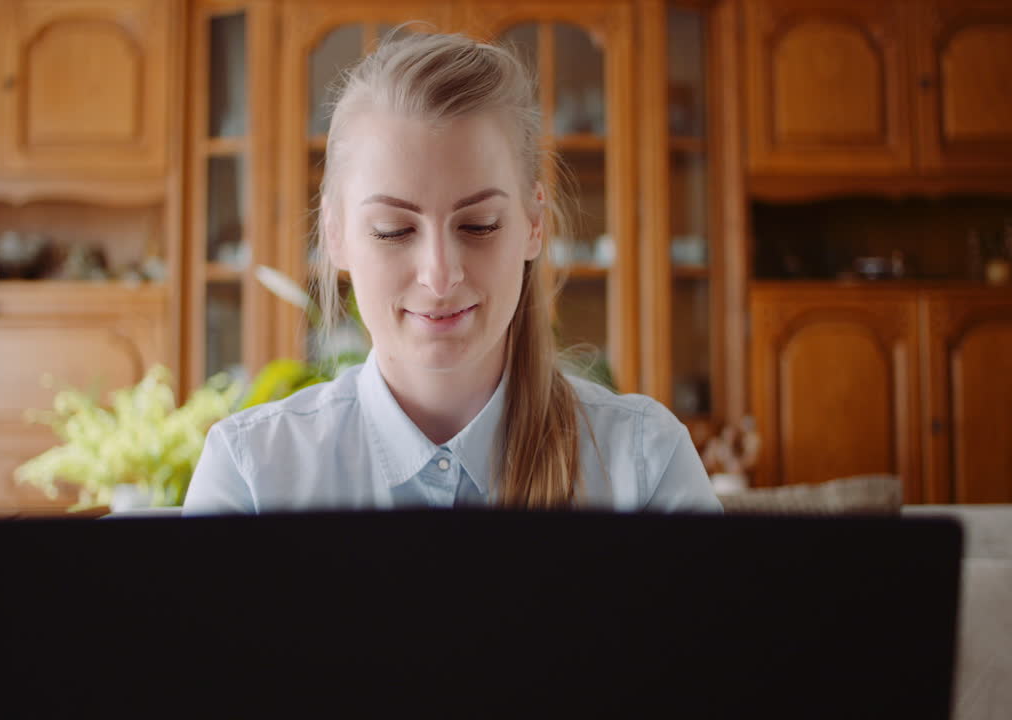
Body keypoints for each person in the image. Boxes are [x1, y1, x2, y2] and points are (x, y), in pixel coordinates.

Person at [184, 31, 720, 514]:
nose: (440, 277)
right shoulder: (250, 475)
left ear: (534, 223)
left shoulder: (646, 463)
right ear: (335, 235)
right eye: (394, 230)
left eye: (480, 225)